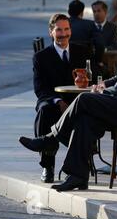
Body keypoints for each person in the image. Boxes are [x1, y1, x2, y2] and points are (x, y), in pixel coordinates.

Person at [19, 14, 117, 192]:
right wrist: (104, 84)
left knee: (84, 98)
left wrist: (103, 91)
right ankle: (78, 176)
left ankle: (50, 138)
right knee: (85, 121)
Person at [32, 14, 90, 183]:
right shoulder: (41, 57)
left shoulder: (82, 52)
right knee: (44, 111)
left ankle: (78, 167)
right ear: (51, 32)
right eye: (59, 30)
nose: (63, 34)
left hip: (78, 101)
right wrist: (58, 101)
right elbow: (40, 89)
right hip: (52, 101)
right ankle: (47, 166)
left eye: (66, 29)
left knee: (88, 114)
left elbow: (94, 78)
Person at [68, 0, 103, 79]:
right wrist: (98, 60)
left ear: (69, 11)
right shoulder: (89, 24)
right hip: (87, 66)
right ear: (82, 12)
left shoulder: (63, 25)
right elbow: (100, 44)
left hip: (66, 64)